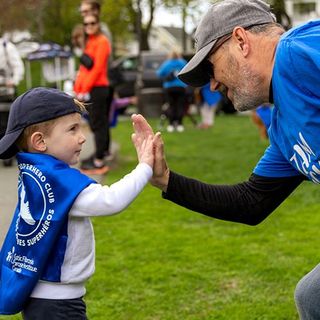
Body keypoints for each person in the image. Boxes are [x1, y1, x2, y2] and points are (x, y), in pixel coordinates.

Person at [132, 0, 320, 319]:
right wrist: (166, 180)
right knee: (312, 297)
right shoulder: (284, 128)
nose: (213, 84)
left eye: (211, 67)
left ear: (241, 41)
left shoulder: (297, 51)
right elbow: (251, 202)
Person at [0, 87, 156, 319]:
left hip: (41, 298)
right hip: (58, 304)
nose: (83, 136)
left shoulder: (32, 172)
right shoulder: (60, 183)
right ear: (40, 141)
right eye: (73, 129)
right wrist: (145, 166)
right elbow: (110, 200)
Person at [73, 13, 113, 173]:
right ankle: (100, 154)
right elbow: (84, 69)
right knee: (97, 124)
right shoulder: (90, 43)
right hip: (90, 89)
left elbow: (97, 69)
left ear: (98, 24)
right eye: (86, 24)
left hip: (98, 88)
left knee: (99, 124)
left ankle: (99, 161)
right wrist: (78, 88)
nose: (89, 26)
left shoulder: (102, 41)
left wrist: (84, 89)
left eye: (92, 23)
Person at [0, 34, 24, 167]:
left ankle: (8, 152)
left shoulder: (6, 47)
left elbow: (18, 66)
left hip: (7, 92)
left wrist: (14, 81)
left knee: (7, 123)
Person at [156, 51, 188, 132]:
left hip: (169, 87)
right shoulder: (182, 62)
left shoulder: (167, 63)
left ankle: (171, 125)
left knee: (171, 105)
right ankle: (180, 125)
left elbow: (159, 74)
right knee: (180, 105)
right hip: (181, 87)